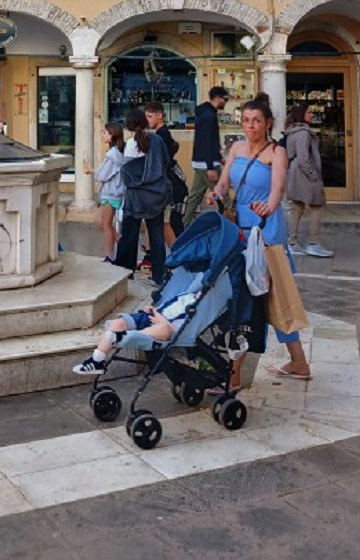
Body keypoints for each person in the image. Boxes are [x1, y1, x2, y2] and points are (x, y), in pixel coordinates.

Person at [208, 98, 311, 383]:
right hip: (240, 227)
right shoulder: (236, 149)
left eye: (256, 120)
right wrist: (216, 193)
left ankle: (235, 375)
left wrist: (268, 206)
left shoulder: (277, 152)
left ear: (268, 123)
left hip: (267, 228)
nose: (250, 126)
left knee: (267, 296)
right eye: (245, 120)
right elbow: (224, 182)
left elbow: (278, 187)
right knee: (255, 296)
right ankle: (298, 362)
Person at [72, 289, 201, 375]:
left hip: (166, 328)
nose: (199, 294)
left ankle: (124, 337)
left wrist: (161, 320)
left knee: (164, 330)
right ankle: (97, 360)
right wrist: (153, 309)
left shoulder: (197, 309)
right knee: (119, 322)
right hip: (151, 317)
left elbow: (177, 328)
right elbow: (166, 306)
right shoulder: (186, 296)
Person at [114, 109, 171, 286]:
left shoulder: (131, 144)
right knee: (157, 235)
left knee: (129, 235)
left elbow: (127, 172)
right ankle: (159, 275)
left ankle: (125, 272)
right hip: (155, 194)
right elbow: (166, 162)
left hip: (136, 196)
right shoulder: (157, 140)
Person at [283, 103, 333, 258]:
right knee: (317, 205)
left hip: (295, 172)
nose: (312, 114)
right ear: (301, 114)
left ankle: (292, 243)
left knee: (297, 207)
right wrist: (313, 176)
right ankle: (313, 243)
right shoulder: (303, 133)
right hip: (304, 173)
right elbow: (304, 158)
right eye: (309, 112)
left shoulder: (292, 131)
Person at [183, 86, 229, 228]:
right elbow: (208, 141)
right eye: (225, 99)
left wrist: (219, 157)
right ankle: (229, 226)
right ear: (218, 98)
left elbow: (207, 141)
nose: (225, 102)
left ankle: (183, 225)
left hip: (200, 161)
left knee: (195, 196)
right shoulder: (210, 116)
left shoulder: (204, 113)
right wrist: (211, 166)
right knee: (224, 197)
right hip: (207, 163)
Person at [83, 122, 125, 263]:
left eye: (104, 132)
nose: (102, 135)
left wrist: (93, 171)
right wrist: (94, 171)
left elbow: (102, 175)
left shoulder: (112, 154)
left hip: (111, 193)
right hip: (112, 192)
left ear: (112, 134)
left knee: (105, 224)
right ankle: (119, 242)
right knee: (101, 222)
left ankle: (110, 255)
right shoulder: (116, 153)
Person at [144, 101, 185, 244]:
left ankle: (178, 252)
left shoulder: (161, 136)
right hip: (168, 181)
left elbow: (162, 161)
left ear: (160, 116)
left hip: (168, 182)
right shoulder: (161, 134)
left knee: (169, 222)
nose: (147, 120)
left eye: (150, 116)